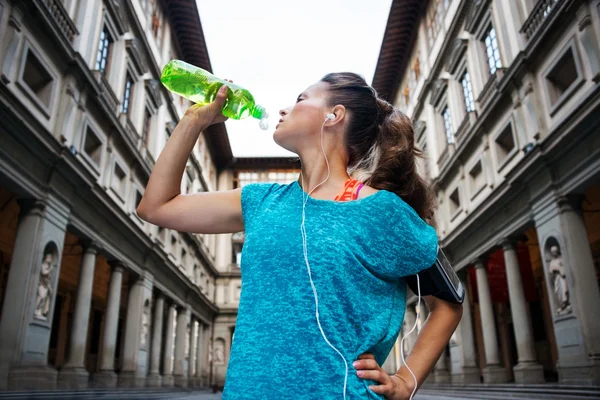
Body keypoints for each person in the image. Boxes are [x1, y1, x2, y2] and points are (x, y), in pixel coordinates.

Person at [137, 73, 463, 399]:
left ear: (334, 115)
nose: (283, 110)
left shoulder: (382, 210)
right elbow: (157, 207)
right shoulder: (259, 201)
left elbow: (450, 301)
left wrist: (406, 381)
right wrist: (195, 119)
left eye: (301, 99)